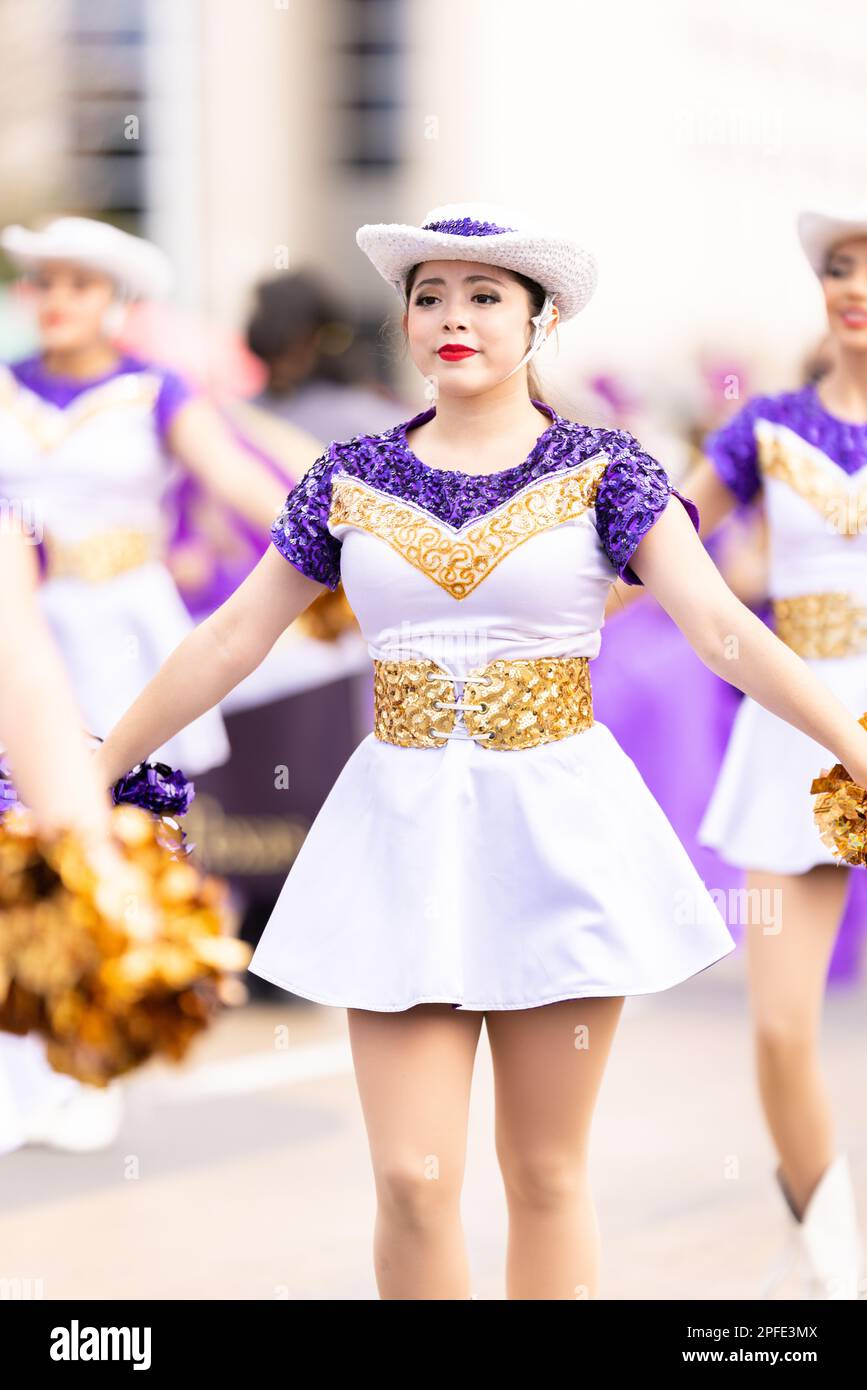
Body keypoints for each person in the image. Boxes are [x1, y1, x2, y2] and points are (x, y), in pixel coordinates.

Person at [89, 201, 867, 1300]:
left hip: (558, 827)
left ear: (540, 322)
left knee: (544, 1171)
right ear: (404, 322)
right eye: (429, 296)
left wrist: (851, 740)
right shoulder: (348, 475)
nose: (453, 315)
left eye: (485, 296)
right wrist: (101, 758)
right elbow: (231, 635)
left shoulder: (607, 469)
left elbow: (724, 629)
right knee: (411, 1176)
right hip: (395, 834)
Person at [679, 202, 867, 1300]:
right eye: (839, 267)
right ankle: (830, 1236)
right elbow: (662, 545)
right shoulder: (765, 428)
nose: (853, 284)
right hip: (796, 724)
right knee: (784, 1022)